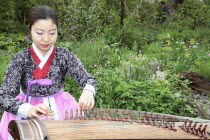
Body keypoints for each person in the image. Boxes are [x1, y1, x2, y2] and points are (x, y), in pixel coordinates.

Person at [0, 5, 97, 140]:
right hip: (26, 109)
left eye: (52, 33)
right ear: (30, 30)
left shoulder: (64, 56)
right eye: (39, 33)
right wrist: (27, 109)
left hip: (61, 109)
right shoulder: (20, 58)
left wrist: (88, 91)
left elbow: (88, 79)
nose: (46, 39)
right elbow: (4, 96)